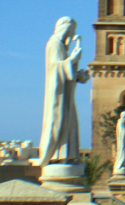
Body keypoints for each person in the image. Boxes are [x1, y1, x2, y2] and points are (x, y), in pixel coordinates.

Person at [37, 17, 90, 165]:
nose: (72, 33)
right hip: (58, 97)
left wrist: (80, 75)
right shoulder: (53, 44)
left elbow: (67, 72)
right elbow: (55, 68)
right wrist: (72, 59)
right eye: (71, 30)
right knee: (58, 123)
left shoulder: (61, 46)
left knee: (70, 123)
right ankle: (55, 155)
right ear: (66, 29)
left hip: (66, 97)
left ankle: (67, 155)